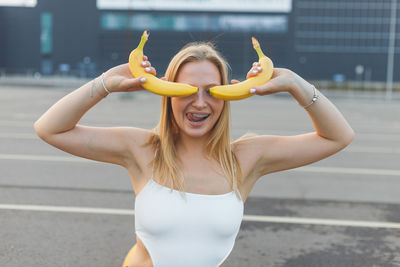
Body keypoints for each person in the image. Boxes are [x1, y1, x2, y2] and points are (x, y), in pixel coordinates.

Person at [34, 41, 354, 267]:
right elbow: (50, 129)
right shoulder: (143, 150)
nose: (200, 103)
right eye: (188, 90)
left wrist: (295, 84)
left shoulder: (246, 158)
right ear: (168, 92)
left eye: (211, 91)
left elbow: (338, 137)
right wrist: (105, 83)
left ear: (227, 95)